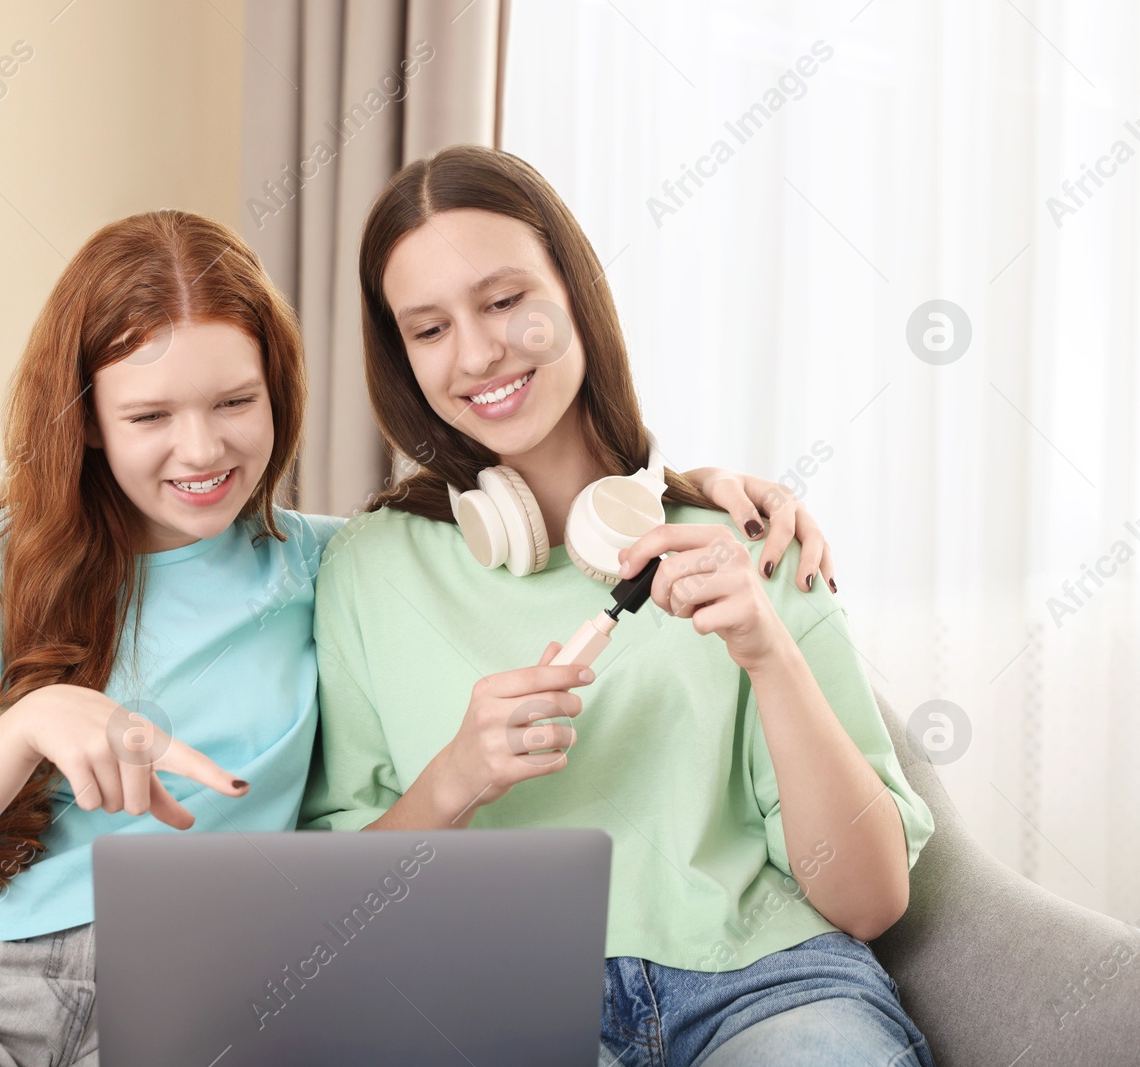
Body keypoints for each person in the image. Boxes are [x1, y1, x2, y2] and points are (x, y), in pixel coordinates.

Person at [0, 207, 834, 1067]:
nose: (202, 449)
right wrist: (28, 726)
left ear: (281, 395)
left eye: (236, 401)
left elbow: (545, 528)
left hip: (200, 1005)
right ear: (88, 419)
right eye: (149, 416)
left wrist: (704, 494)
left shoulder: (333, 567)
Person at [300, 144, 935, 1067]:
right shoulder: (363, 567)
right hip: (498, 1009)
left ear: (575, 292)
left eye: (506, 300)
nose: (477, 353)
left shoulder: (743, 539)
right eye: (428, 328)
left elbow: (870, 902)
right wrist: (454, 779)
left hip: (766, 986)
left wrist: (769, 650)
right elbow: (336, 918)